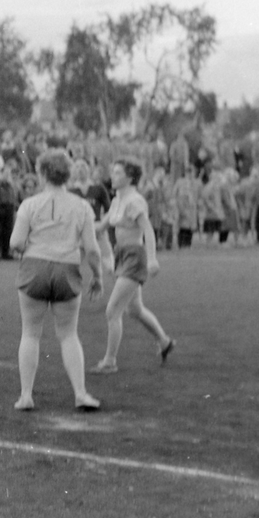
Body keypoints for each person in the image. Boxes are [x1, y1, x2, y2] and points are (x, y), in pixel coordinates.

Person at [8, 150, 103, 411]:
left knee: (30, 333)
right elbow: (92, 250)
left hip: (34, 267)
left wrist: (28, 249)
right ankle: (80, 393)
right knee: (69, 334)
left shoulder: (30, 204)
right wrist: (98, 276)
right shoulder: (81, 205)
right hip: (67, 269)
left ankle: (26, 395)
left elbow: (15, 242)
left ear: (41, 173)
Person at [91, 159, 175, 374]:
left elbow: (147, 230)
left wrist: (153, 258)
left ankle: (110, 361)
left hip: (134, 257)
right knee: (135, 310)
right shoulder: (118, 199)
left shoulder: (135, 201)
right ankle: (164, 342)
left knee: (113, 311)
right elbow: (101, 226)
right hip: (122, 254)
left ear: (129, 178)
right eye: (113, 172)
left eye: (118, 173)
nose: (113, 176)